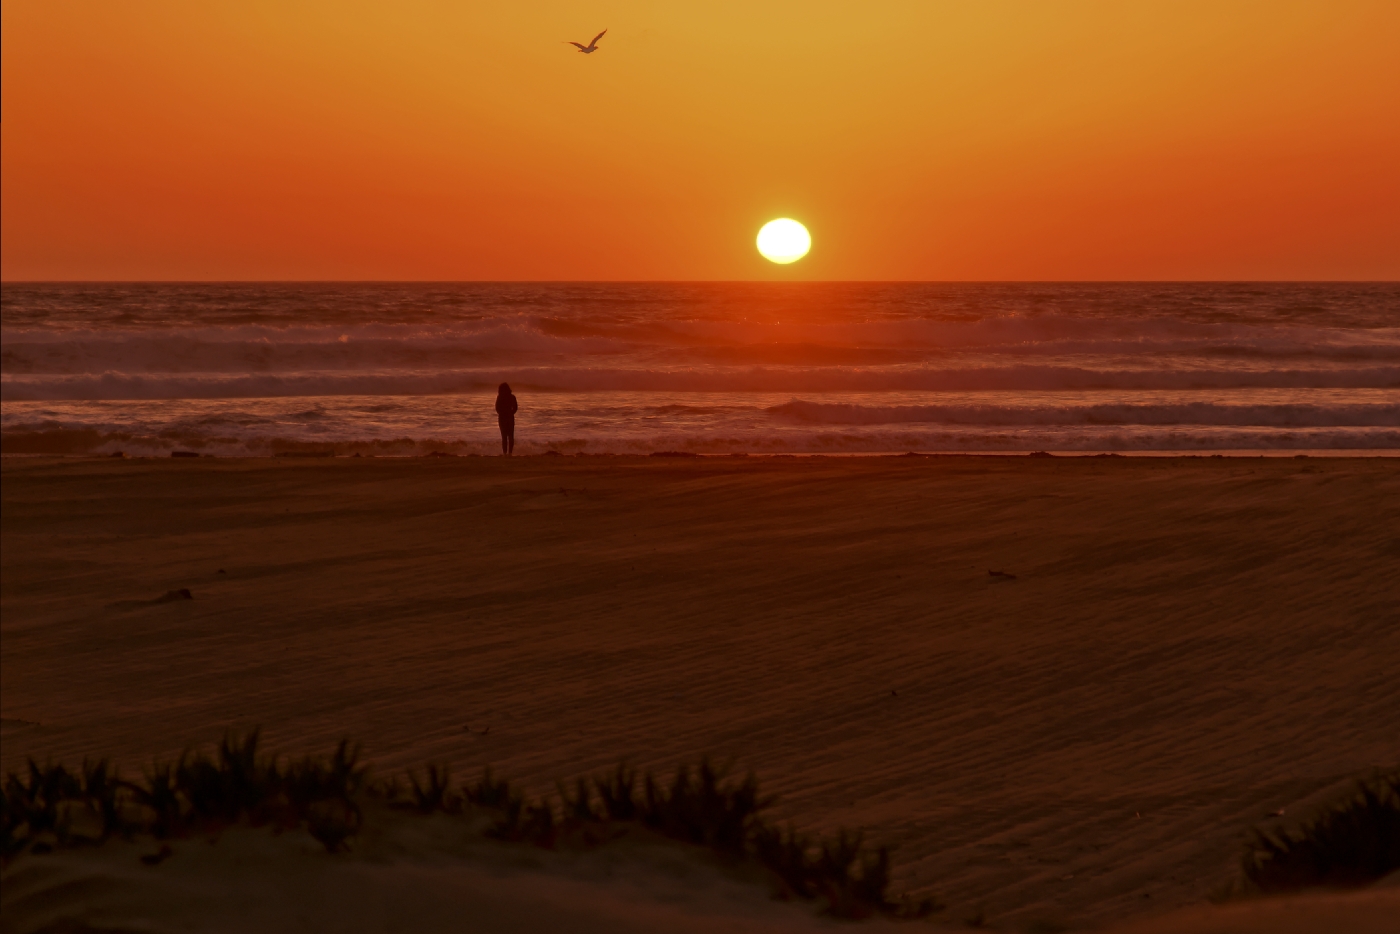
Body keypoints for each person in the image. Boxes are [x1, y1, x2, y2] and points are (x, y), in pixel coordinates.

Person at [495, 382, 518, 456]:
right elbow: (515, 408)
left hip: (502, 418)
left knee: (504, 437)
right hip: (510, 417)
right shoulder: (512, 397)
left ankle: (505, 453)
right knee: (510, 436)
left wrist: (502, 413)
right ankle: (510, 453)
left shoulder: (500, 397)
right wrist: (511, 413)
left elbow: (497, 408)